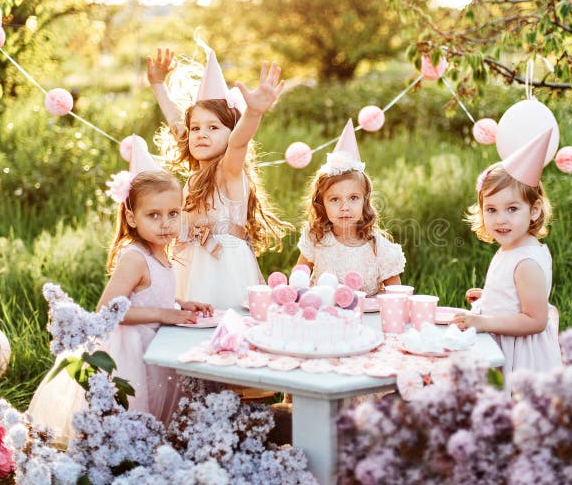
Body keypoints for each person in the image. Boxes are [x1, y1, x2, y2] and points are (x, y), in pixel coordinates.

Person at [29, 136, 211, 444]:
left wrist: (180, 304)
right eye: (153, 215)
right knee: (132, 409)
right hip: (130, 348)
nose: (165, 223)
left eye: (173, 213)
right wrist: (164, 314)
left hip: (153, 341)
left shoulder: (160, 251)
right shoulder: (134, 257)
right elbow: (107, 309)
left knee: (155, 407)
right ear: (131, 217)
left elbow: (153, 293)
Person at [148, 44, 291, 309]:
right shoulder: (196, 171)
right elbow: (175, 120)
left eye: (213, 127)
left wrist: (253, 112)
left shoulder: (229, 171)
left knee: (227, 325)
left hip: (224, 268)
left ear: (229, 131)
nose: (201, 133)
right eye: (196, 128)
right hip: (190, 263)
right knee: (191, 324)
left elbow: (238, 142)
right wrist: (158, 83)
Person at [453, 128, 562, 394]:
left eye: (512, 209)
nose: (501, 219)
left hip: (522, 356)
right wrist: (491, 297)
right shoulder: (513, 247)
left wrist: (484, 321)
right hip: (507, 340)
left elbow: (535, 320)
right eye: (491, 209)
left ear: (534, 210)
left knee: (515, 405)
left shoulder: (526, 262)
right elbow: (516, 297)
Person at [295, 120, 405, 296]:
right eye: (334, 200)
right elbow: (298, 282)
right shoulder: (316, 238)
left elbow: (397, 297)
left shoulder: (379, 248)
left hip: (366, 320)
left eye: (353, 198)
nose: (344, 207)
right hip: (323, 316)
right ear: (321, 202)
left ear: (364, 201)